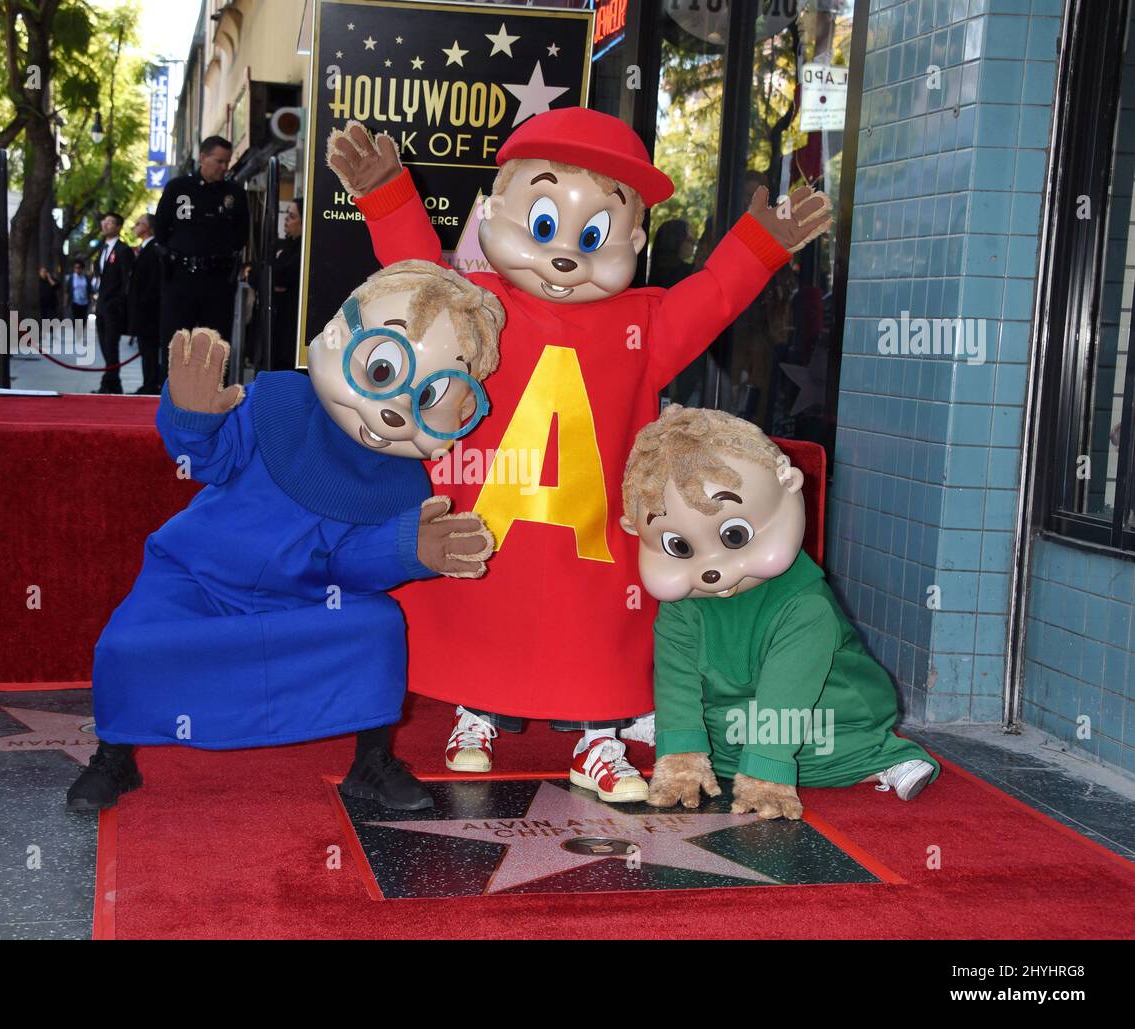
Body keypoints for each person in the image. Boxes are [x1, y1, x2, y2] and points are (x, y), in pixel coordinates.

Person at [328, 111, 830, 801]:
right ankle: (475, 713)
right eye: (542, 226)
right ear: (494, 213)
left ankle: (600, 738)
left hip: (590, 535)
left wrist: (760, 247)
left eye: (593, 237)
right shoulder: (478, 305)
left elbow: (712, 296)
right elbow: (414, 281)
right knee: (482, 609)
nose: (565, 255)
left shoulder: (643, 324)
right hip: (490, 515)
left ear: (635, 240)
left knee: (597, 637)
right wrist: (387, 197)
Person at [66, 260, 504, 812]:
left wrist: (406, 549)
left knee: (376, 627)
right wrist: (190, 417)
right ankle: (115, 756)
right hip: (194, 576)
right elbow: (205, 459)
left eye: (432, 394)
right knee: (129, 642)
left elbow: (348, 567)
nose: (395, 411)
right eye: (386, 370)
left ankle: (370, 761)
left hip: (305, 600)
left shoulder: (403, 481)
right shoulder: (276, 403)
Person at [620, 406, 939, 816]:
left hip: (829, 709)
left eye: (734, 535)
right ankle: (710, 746)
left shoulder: (804, 604)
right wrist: (681, 751)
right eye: (680, 547)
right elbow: (677, 678)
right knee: (702, 734)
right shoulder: (682, 604)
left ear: (788, 486)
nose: (712, 570)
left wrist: (766, 775)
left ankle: (883, 757)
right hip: (740, 711)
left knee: (821, 745)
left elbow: (786, 696)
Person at [153, 135, 249, 346]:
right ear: (203, 157)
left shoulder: (234, 193)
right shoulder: (178, 188)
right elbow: (160, 228)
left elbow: (241, 234)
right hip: (181, 276)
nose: (224, 167)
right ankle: (172, 381)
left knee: (215, 346)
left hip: (218, 280)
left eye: (227, 162)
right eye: (219, 161)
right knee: (176, 343)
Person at [92, 212, 134, 394]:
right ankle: (112, 381)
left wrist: (118, 303)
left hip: (113, 307)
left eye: (110, 223)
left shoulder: (123, 250)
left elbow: (127, 281)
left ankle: (110, 382)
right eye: (104, 222)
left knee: (111, 344)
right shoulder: (102, 249)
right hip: (101, 305)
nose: (105, 225)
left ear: (118, 227)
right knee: (104, 345)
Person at [128, 214, 164, 394]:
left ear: (149, 228)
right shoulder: (145, 248)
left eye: (139, 223)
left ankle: (151, 382)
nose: (135, 226)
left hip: (149, 310)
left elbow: (153, 281)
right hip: (142, 309)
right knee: (145, 349)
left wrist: (144, 302)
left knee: (149, 349)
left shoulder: (154, 249)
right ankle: (148, 381)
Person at [269, 195, 304, 371]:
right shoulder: (284, 246)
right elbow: (265, 276)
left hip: (291, 335)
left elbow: (282, 276)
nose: (286, 221)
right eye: (286, 215)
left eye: (292, 216)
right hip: (277, 329)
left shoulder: (303, 250)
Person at [68, 259, 92, 324]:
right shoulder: (72, 278)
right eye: (75, 268)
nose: (77, 269)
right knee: (75, 320)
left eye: (79, 268)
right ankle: (77, 333)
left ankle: (80, 332)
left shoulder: (86, 278)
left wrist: (90, 300)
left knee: (83, 320)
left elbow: (89, 289)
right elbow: (68, 290)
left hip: (84, 303)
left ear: (82, 269)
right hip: (75, 302)